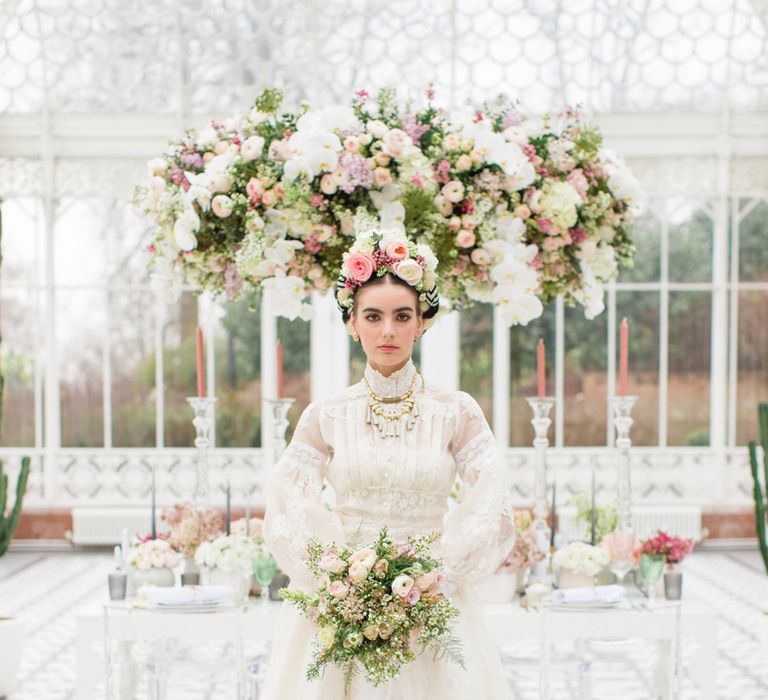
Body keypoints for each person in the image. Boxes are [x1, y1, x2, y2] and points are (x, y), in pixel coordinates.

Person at [261, 229, 515, 698]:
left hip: (433, 604)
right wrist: (335, 575)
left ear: (423, 322)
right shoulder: (327, 414)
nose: (388, 331)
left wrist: (443, 572)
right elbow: (286, 500)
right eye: (373, 316)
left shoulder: (456, 411)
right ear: (353, 324)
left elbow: (491, 495)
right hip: (345, 609)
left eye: (403, 316)